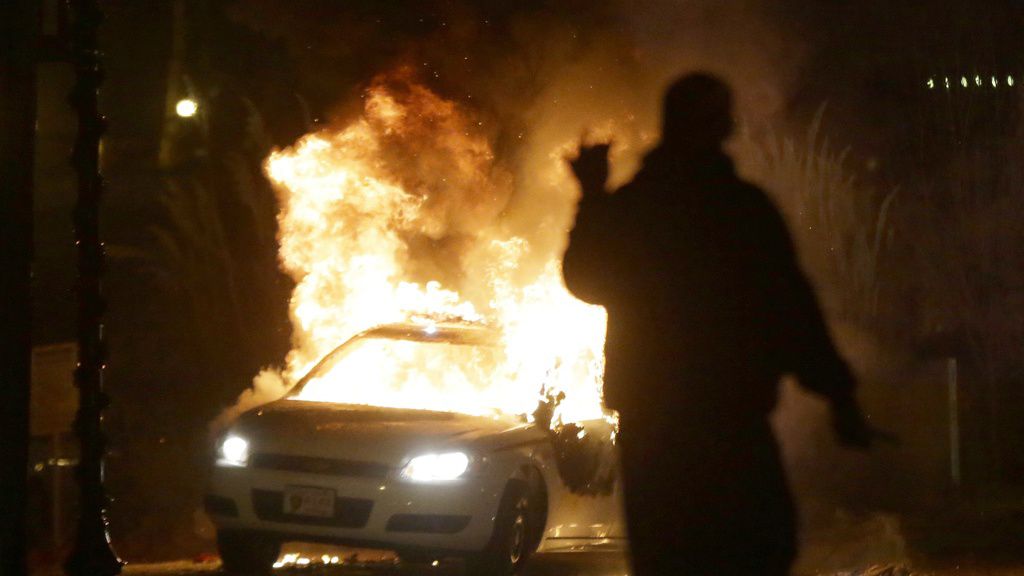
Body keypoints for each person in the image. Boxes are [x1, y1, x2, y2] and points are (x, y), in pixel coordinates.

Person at [563, 73, 874, 576]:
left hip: (656, 429)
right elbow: (793, 311)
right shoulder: (743, 210)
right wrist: (839, 396)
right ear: (723, 127)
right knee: (759, 549)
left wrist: (593, 197)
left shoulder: (634, 209)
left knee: (670, 558)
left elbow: (585, 280)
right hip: (730, 421)